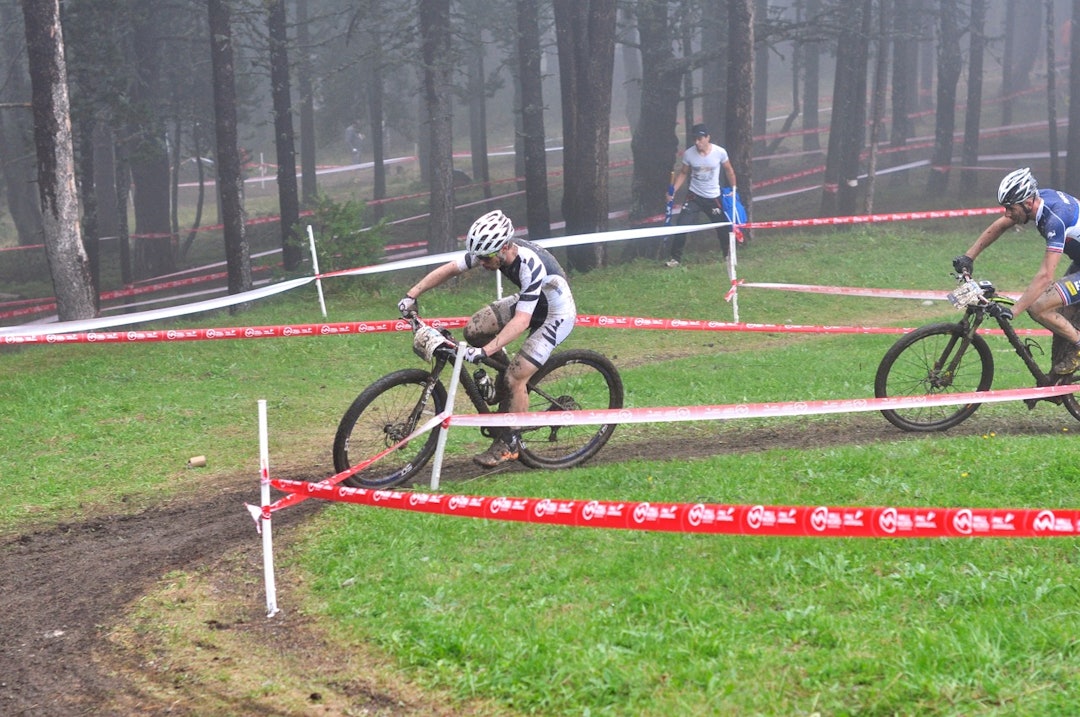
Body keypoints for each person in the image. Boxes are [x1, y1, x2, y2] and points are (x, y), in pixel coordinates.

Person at [397, 209, 577, 467]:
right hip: (534, 301)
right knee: (474, 330)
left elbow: (522, 321)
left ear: (504, 248)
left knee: (516, 376)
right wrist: (412, 294)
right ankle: (502, 387)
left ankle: (510, 443)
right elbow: (451, 269)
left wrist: (486, 351)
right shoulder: (491, 250)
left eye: (487, 258)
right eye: (479, 257)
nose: (481, 263)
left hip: (556, 313)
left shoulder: (529, 265)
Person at [953, 167, 1080, 375]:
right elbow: (1001, 224)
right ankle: (1055, 385)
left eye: (1010, 208)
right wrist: (969, 256)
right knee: (1060, 319)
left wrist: (1014, 310)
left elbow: (1045, 276)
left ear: (1027, 203)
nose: (1007, 213)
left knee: (1039, 307)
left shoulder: (1055, 218)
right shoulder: (1037, 201)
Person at [663, 123, 738, 267]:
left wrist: (734, 188)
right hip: (694, 197)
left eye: (700, 139)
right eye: (695, 139)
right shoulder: (689, 154)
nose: (697, 143)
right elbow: (684, 173)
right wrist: (673, 191)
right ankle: (675, 259)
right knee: (681, 225)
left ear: (707, 138)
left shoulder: (720, 152)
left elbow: (729, 170)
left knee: (723, 227)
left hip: (713, 197)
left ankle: (728, 256)